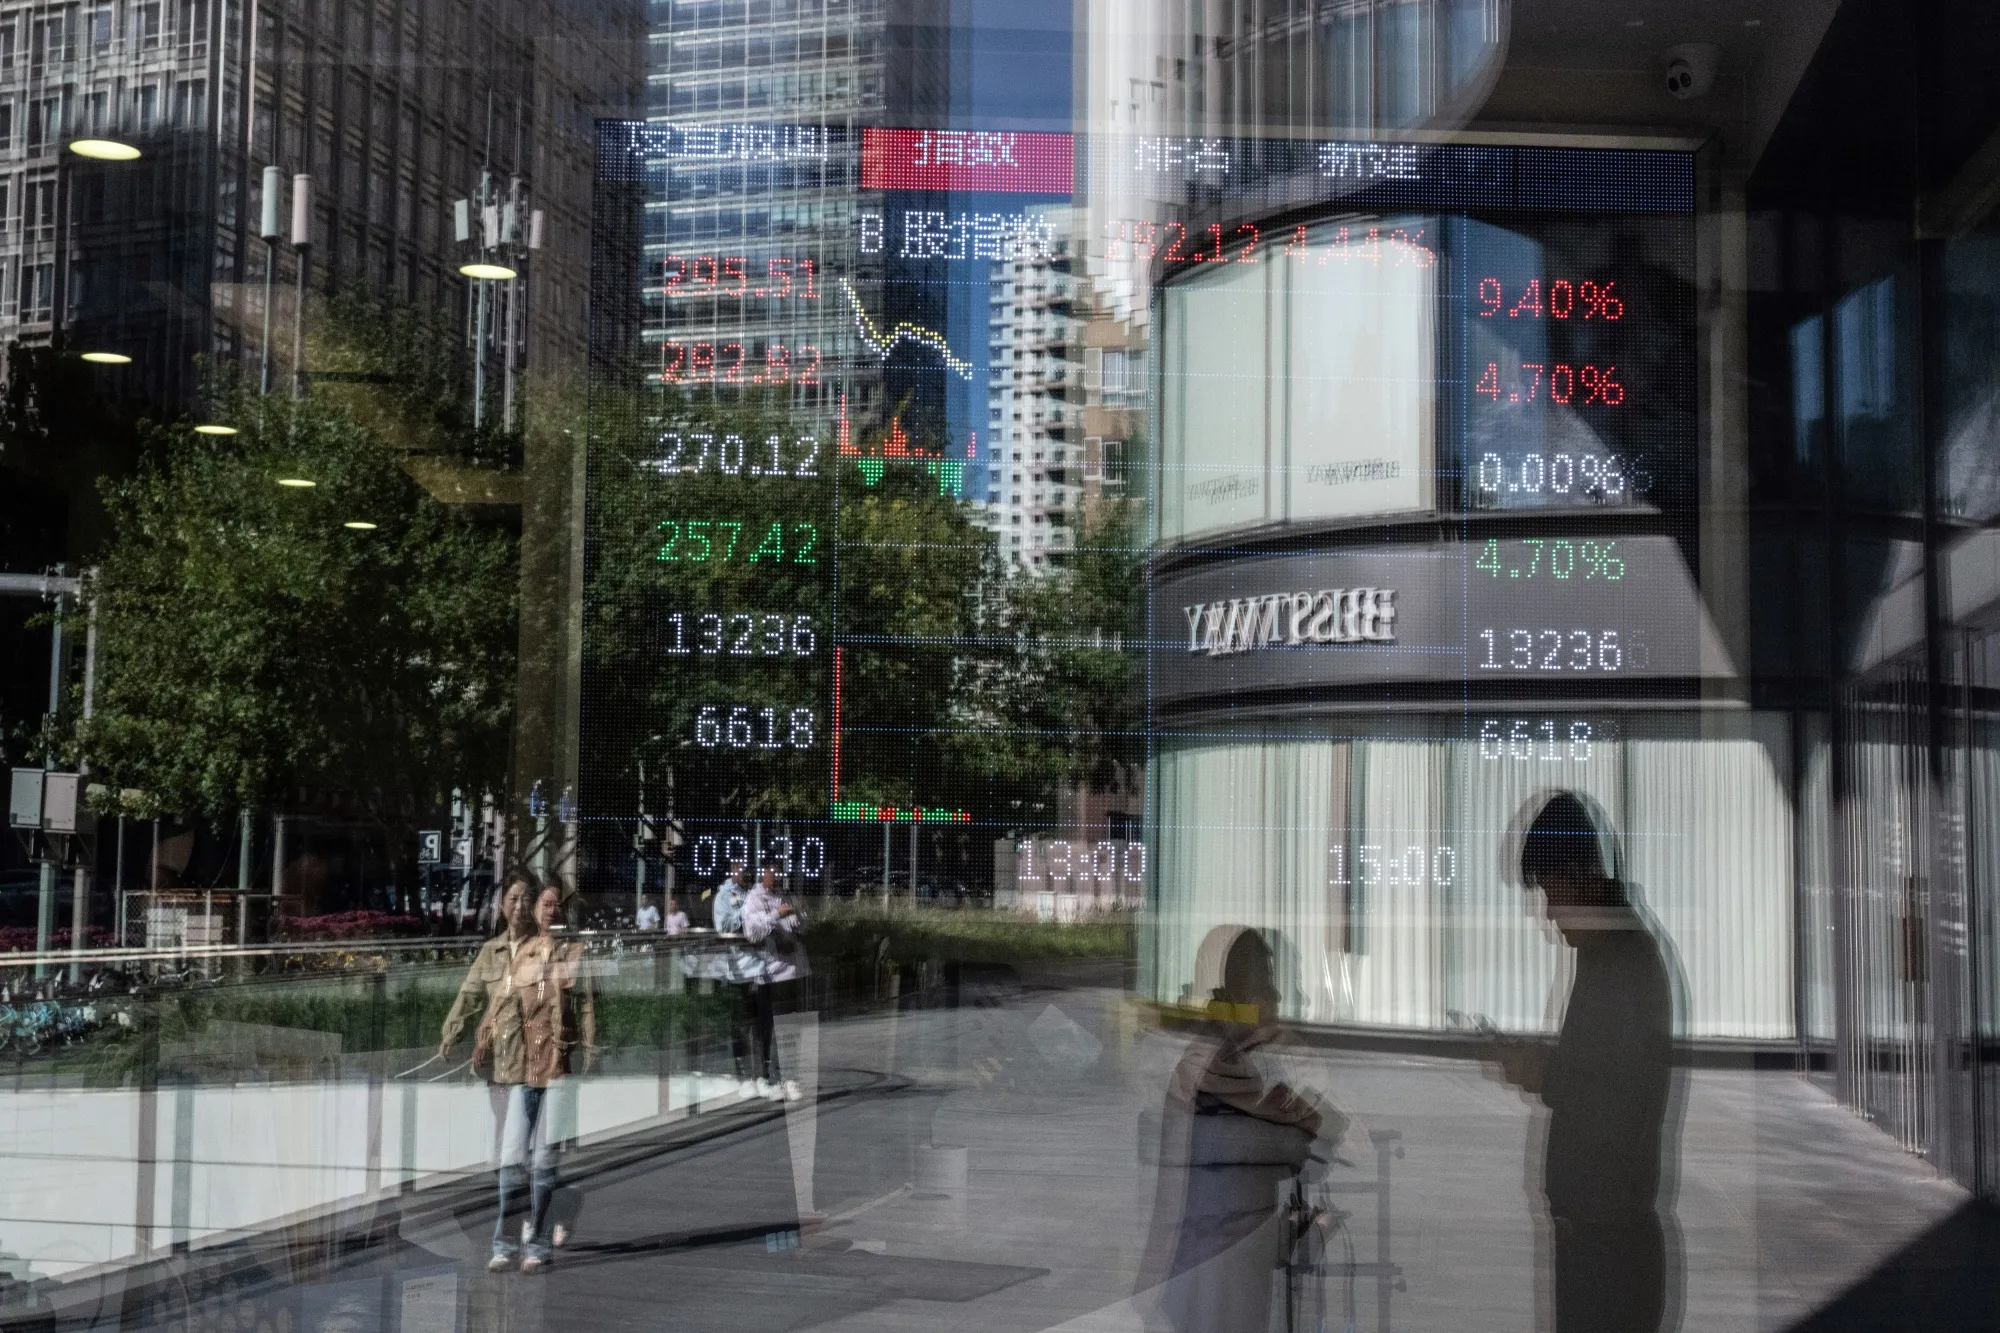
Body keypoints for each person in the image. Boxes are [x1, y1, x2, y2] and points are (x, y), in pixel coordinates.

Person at [1491, 791, 1681, 1333]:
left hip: (1610, 1255)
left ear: (1582, 876)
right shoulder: (1610, 956)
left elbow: (1613, 1104)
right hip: (1599, 1241)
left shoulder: (1623, 963)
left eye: (1552, 893)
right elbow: (1603, 1070)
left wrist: (1540, 1074)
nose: (1548, 914)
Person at [1137, 926, 1340, 1333]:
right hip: (1215, 1257)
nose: (1283, 996)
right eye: (1268, 982)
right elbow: (1303, 1145)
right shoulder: (1215, 1068)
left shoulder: (1241, 1060)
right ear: (1242, 996)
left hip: (1222, 1252)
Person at [441, 879, 596, 1272]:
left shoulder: (567, 952)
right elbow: (486, 997)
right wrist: (467, 1033)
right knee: (511, 1156)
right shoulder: (508, 952)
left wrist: (590, 1053)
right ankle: (511, 1238)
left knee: (540, 1158)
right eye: (534, 902)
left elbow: (584, 1006)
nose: (536, 908)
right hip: (513, 1067)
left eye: (545, 903)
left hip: (550, 1067)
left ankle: (537, 1238)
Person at [740, 860, 808, 1101]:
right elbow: (751, 931)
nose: (776, 877)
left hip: (793, 970)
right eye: (772, 872)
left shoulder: (787, 896)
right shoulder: (754, 899)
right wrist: (775, 915)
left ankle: (788, 1077)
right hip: (769, 972)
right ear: (763, 873)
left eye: (779, 873)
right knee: (766, 1025)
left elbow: (804, 925)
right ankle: (763, 1075)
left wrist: (796, 919)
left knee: (790, 1026)